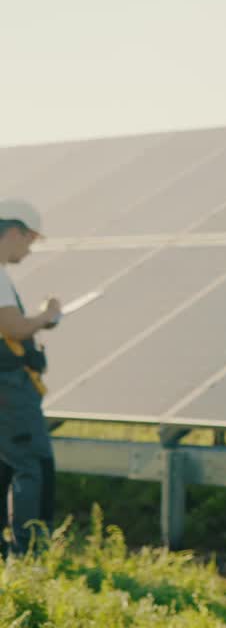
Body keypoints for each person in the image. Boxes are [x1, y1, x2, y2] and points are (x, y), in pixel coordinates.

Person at [0, 198, 61, 555]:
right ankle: (31, 555)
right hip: (7, 387)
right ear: (13, 232)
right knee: (34, 464)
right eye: (30, 240)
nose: (29, 250)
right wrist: (46, 315)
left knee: (6, 463)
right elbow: (12, 326)